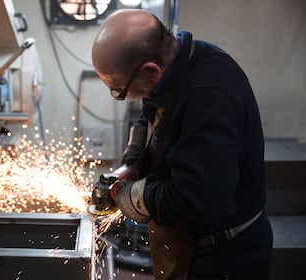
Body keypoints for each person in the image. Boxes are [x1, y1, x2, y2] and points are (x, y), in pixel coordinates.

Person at [91, 9, 273, 280]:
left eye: (120, 90)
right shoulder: (174, 64)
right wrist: (132, 163)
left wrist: (129, 195)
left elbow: (196, 204)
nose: (124, 97)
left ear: (149, 69)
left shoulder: (210, 98)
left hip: (222, 258)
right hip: (193, 245)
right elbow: (150, 109)